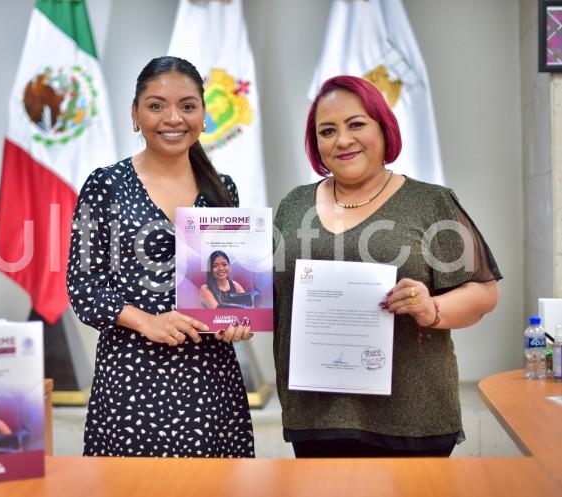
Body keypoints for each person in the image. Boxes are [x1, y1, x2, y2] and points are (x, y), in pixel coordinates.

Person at [273, 75, 502, 458]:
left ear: (384, 127)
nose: (342, 140)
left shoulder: (432, 203)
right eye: (327, 131)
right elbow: (272, 295)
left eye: (356, 124)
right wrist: (230, 315)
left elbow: (484, 292)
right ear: (316, 144)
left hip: (412, 415)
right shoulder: (293, 205)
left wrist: (432, 308)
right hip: (316, 414)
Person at [67, 56, 254, 458]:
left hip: (210, 380)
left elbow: (230, 289)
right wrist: (147, 322)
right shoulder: (106, 185)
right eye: (156, 105)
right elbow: (83, 289)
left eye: (187, 106)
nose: (173, 118)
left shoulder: (223, 190)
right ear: (135, 114)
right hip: (133, 378)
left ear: (204, 116)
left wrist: (239, 321)